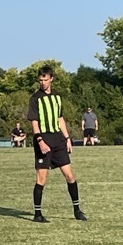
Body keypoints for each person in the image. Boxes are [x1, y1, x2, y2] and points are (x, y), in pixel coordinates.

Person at [27, 65, 86, 223]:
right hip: (43, 139)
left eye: (45, 80)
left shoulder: (57, 97)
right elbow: (34, 122)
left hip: (58, 140)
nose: (43, 83)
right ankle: (37, 214)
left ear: (51, 79)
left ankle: (77, 210)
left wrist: (67, 138)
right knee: (42, 178)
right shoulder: (35, 98)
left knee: (70, 175)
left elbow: (60, 119)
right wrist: (40, 141)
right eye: (40, 80)